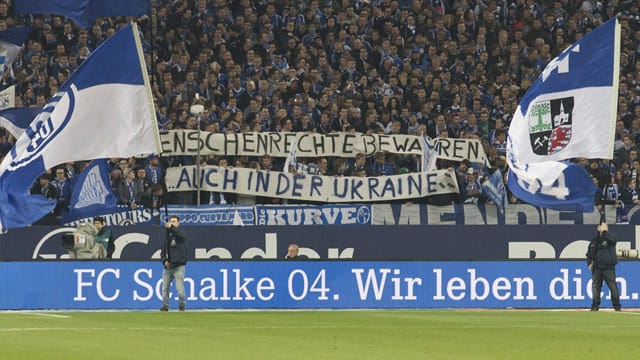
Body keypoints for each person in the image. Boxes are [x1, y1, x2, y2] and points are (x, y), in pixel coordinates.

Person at [586, 223, 621, 312]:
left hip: (608, 267)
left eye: (604, 227)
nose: (602, 228)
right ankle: (595, 306)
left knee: (612, 286)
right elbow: (589, 253)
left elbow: (614, 241)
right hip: (597, 268)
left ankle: (617, 306)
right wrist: (589, 263)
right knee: (595, 287)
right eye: (601, 226)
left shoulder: (610, 238)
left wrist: (605, 232)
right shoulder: (594, 240)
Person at [160, 215, 187, 312]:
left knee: (180, 289)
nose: (172, 223)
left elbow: (181, 237)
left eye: (174, 221)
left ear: (178, 223)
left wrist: (171, 228)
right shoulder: (167, 236)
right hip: (168, 266)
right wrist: (164, 261)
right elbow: (163, 251)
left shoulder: (181, 233)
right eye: (171, 221)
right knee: (165, 288)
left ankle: (182, 305)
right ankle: (165, 305)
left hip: (179, 266)